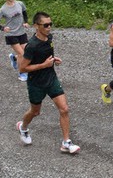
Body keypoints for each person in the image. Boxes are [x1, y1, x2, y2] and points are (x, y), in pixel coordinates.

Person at [16, 12, 80, 154]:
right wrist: (43, 65)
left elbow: (46, 56)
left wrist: (53, 60)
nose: (49, 27)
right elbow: (23, 68)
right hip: (36, 83)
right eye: (45, 25)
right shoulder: (32, 46)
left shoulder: (49, 38)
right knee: (35, 111)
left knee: (64, 109)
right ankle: (23, 127)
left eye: (50, 24)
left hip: (51, 79)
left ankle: (66, 142)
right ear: (36, 26)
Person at [0, 0, 30, 82]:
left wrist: (26, 22)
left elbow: (25, 13)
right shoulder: (2, 9)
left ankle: (14, 58)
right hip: (11, 35)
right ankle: (22, 73)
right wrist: (3, 28)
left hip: (21, 33)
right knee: (21, 53)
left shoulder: (20, 4)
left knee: (27, 52)